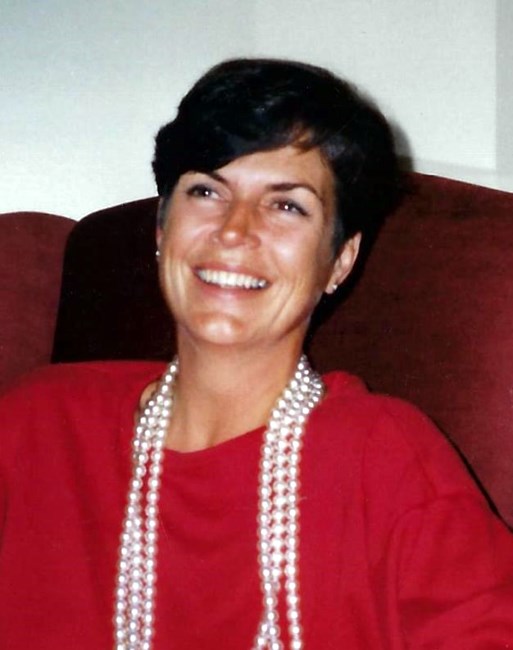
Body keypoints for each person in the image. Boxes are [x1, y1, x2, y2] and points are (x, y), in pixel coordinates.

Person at [1, 58, 513, 650]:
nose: (234, 230)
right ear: (162, 230)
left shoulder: (388, 461)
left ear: (339, 261)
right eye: (206, 191)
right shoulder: (37, 423)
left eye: (286, 205)